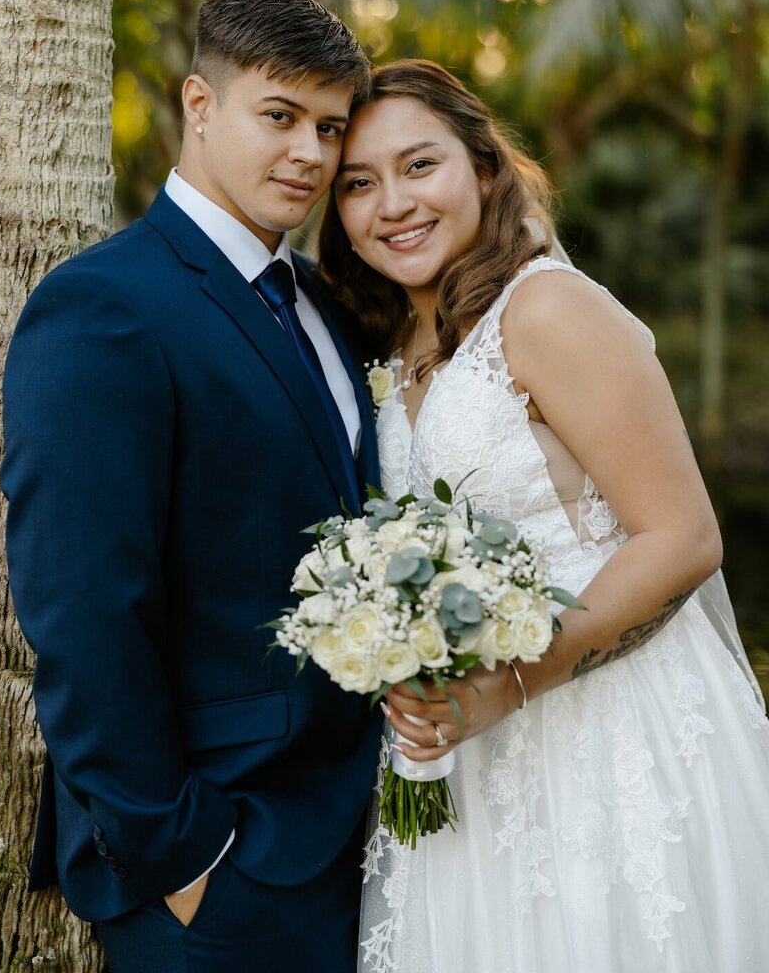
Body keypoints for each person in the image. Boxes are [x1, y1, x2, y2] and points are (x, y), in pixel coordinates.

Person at [318, 58, 769, 972]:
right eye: (358, 184)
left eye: (419, 165)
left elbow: (682, 536)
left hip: (602, 737)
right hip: (460, 750)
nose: (391, 203)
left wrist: (513, 684)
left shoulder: (549, 307)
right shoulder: (394, 343)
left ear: (484, 169)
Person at [0, 0, 382, 973]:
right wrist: (184, 857)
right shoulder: (103, 305)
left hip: (352, 837)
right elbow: (84, 608)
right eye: (280, 116)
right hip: (215, 862)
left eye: (330, 127)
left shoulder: (322, 307)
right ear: (200, 106)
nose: (309, 152)